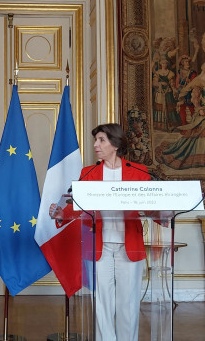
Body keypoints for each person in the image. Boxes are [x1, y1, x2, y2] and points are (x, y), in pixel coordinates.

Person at [50, 123, 151, 341]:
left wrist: (168, 209)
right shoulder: (88, 173)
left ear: (115, 144)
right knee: (103, 303)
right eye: (96, 140)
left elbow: (152, 206)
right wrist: (61, 213)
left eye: (101, 140)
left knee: (128, 303)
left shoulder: (139, 172)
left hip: (129, 246)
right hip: (99, 247)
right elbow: (77, 205)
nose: (96, 145)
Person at [157, 62, 205, 169]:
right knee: (198, 134)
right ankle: (198, 157)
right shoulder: (198, 81)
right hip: (203, 111)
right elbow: (195, 98)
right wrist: (199, 109)